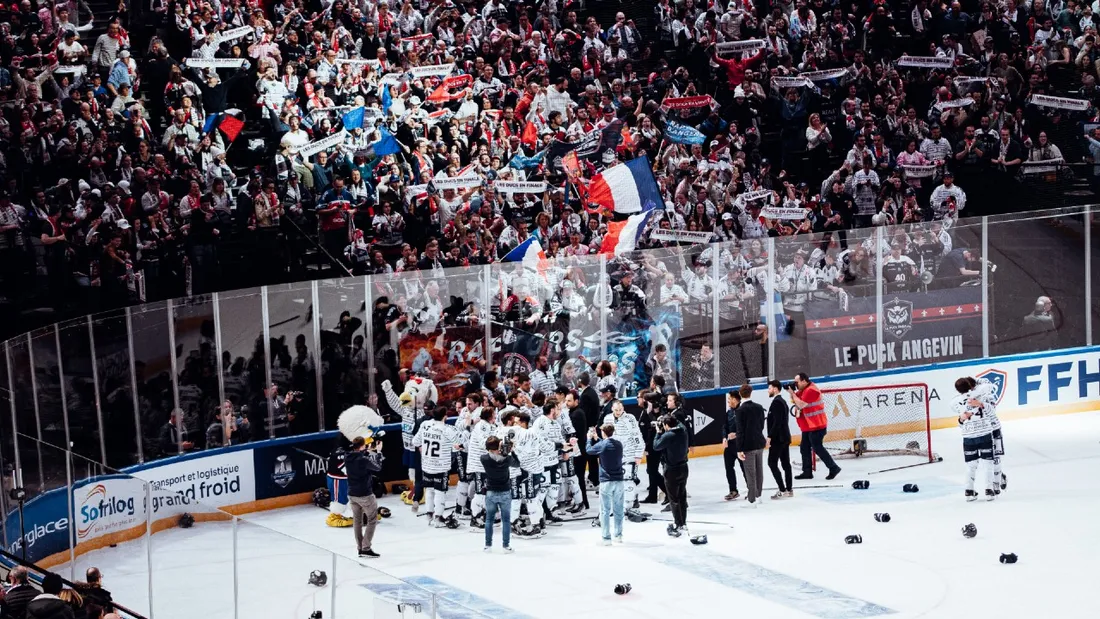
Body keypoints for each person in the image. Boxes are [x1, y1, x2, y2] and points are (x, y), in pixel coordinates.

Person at [412, 406, 462, 528]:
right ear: (445, 416)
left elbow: (415, 441)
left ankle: (429, 515)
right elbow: (458, 445)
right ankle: (438, 517)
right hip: (441, 466)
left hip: (427, 464)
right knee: (440, 492)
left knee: (429, 490)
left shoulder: (424, 425)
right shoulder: (447, 430)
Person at [951, 377, 998, 501]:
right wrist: (980, 404)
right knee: (988, 462)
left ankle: (969, 491)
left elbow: (961, 422)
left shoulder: (956, 402)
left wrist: (961, 419)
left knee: (971, 465)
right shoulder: (981, 394)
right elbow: (992, 411)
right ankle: (989, 490)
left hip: (968, 436)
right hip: (984, 433)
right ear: (971, 386)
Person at [790, 373, 841, 480]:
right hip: (809, 426)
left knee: (817, 448)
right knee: (804, 448)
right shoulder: (804, 390)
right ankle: (807, 472)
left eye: (797, 382)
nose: (796, 384)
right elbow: (794, 400)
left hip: (817, 425)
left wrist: (792, 393)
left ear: (804, 381)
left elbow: (800, 404)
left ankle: (833, 467)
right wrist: (791, 392)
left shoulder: (811, 390)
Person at [586, 423, 626, 546]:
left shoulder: (602, 445)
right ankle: (618, 535)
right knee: (619, 510)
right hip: (619, 481)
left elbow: (589, 450)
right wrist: (597, 439)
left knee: (605, 511)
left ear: (603, 432)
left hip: (606, 481)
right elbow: (604, 446)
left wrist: (589, 440)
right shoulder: (619, 444)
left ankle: (606, 538)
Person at [345, 436, 384, 558]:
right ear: (362, 446)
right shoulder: (363, 460)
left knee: (357, 521)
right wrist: (378, 452)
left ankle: (360, 547)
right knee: (372, 519)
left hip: (352, 493)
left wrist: (367, 450)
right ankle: (366, 547)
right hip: (365, 494)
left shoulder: (348, 457)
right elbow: (378, 467)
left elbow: (359, 454)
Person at [602, 401, 644, 514]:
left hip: (629, 454)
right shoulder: (607, 419)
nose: (618, 412)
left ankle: (628, 506)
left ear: (623, 408)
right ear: (612, 409)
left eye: (620, 410)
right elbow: (606, 437)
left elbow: (637, 437)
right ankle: (622, 503)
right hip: (614, 456)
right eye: (616, 410)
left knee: (628, 480)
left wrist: (638, 454)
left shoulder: (629, 419)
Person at [653, 414, 690, 537]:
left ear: (667, 426)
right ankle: (683, 522)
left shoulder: (668, 436)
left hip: (672, 470)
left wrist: (658, 432)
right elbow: (678, 423)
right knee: (682, 496)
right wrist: (667, 419)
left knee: (673, 499)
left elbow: (656, 446)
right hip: (684, 468)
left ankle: (678, 523)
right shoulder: (683, 430)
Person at [481, 434, 518, 553]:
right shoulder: (507, 459)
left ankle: (488, 545)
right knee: (506, 520)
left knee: (489, 520)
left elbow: (490, 454)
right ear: (499, 447)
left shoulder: (484, 459)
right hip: (505, 492)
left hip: (490, 492)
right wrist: (510, 451)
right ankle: (506, 546)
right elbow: (517, 463)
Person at [735, 384, 766, 507]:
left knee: (750, 473)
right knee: (759, 471)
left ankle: (751, 499)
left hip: (748, 445)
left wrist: (739, 449)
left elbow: (740, 431)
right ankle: (759, 496)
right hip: (759, 442)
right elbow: (762, 425)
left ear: (740, 394)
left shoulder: (740, 410)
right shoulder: (759, 407)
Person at [765, 380, 794, 499]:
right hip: (784, 437)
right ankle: (789, 489)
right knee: (785, 464)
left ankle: (782, 489)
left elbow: (777, 422)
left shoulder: (777, 403)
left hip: (778, 439)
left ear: (775, 389)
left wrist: (770, 437)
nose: (768, 390)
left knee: (772, 463)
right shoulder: (782, 402)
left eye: (770, 388)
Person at [722, 390, 743, 501]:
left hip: (740, 445)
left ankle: (751, 489)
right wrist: (724, 438)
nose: (728, 401)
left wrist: (736, 434)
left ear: (735, 399)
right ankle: (733, 490)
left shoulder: (743, 411)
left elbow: (747, 428)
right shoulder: (729, 412)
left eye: (729, 399)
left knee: (745, 469)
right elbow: (724, 426)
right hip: (729, 446)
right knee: (729, 468)